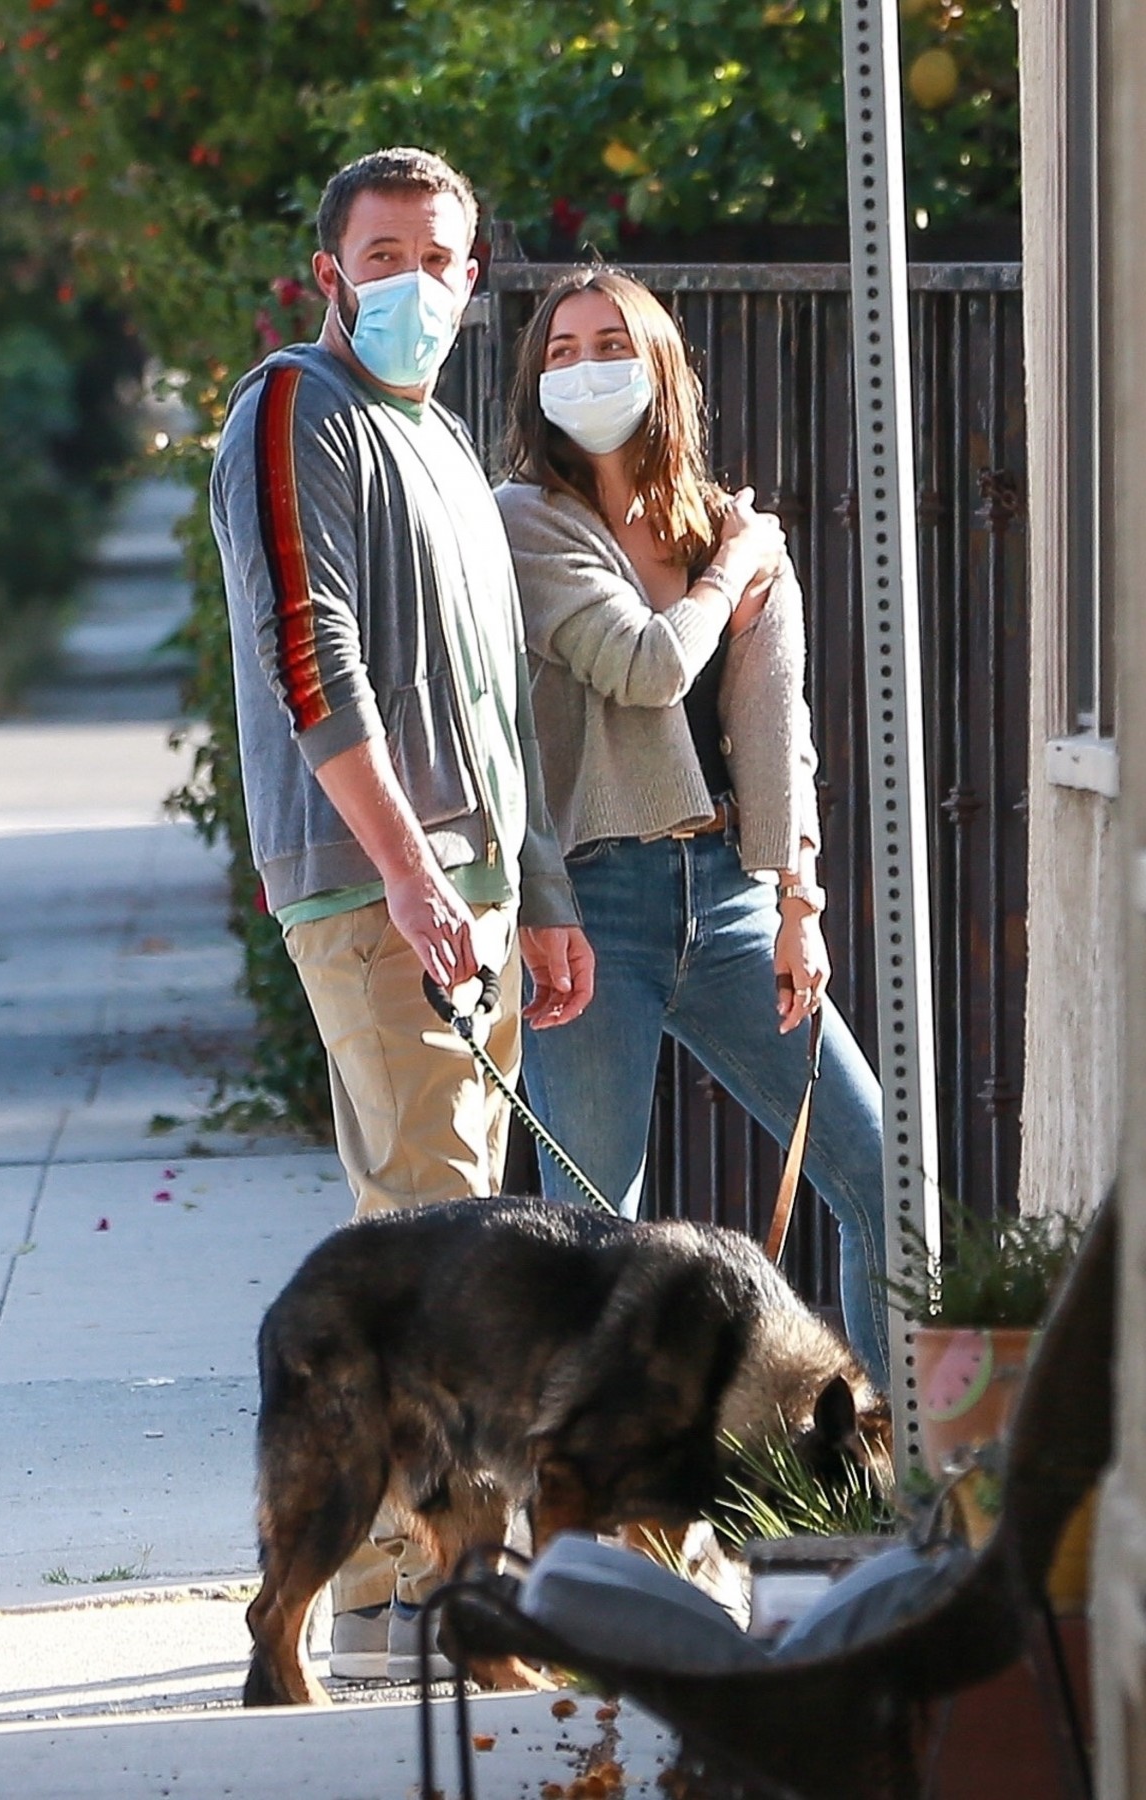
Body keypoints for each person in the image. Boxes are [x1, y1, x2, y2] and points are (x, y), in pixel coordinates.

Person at [209, 148, 593, 1684]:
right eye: (383, 254)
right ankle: (418, 1602)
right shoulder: (295, 409)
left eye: (440, 254)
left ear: (475, 265)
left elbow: (506, 710)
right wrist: (415, 875)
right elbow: (316, 656)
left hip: (479, 892)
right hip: (384, 891)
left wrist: (539, 895)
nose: (415, 282)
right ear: (329, 274)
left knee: (434, 1234)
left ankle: (380, 1585)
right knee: (437, 1255)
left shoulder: (436, 441)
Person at [495, 267, 888, 1383]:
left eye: (609, 342)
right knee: (594, 1232)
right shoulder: (527, 521)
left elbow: (778, 736)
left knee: (882, 1176)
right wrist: (730, 574)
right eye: (560, 351)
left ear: (660, 364)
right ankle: (605, 1508)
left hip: (729, 898)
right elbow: (645, 665)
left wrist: (798, 903)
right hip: (592, 906)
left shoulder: (724, 528)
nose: (583, 365)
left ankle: (912, 1472)